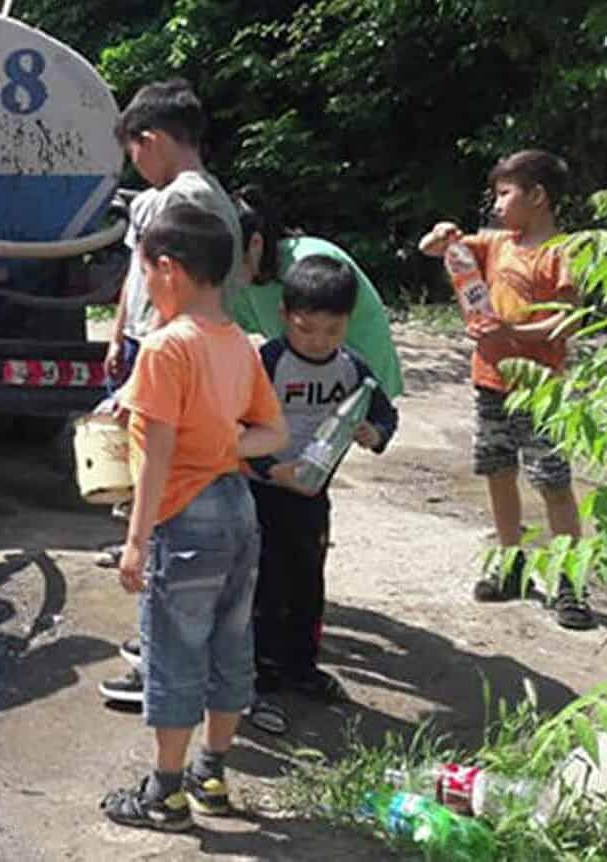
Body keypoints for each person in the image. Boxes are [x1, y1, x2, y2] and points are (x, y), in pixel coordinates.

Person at [100, 204, 287, 832]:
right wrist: (221, 443)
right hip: (238, 510)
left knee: (174, 652)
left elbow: (152, 457)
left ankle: (165, 794)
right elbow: (273, 434)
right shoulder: (239, 343)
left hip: (186, 516)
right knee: (231, 646)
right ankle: (212, 774)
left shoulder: (166, 346)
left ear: (170, 270)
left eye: (146, 272)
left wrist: (134, 541)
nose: (145, 285)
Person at [418, 150, 591, 630]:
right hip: (490, 381)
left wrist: (514, 335)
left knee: (553, 481)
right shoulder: (495, 244)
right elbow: (433, 249)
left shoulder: (561, 252)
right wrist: (441, 234)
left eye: (505, 193)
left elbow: (569, 319)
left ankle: (569, 581)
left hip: (540, 390)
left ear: (537, 196)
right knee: (498, 470)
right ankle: (511, 562)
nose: (496, 204)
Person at [245, 255, 399, 703]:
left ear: (349, 322)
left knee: (308, 580)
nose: (317, 341)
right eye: (305, 329)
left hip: (312, 495)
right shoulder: (267, 362)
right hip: (262, 489)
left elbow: (384, 413)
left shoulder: (353, 368)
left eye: (332, 331)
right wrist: (271, 469)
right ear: (283, 317)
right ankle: (259, 665)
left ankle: (302, 665)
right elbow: (234, 427)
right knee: (261, 581)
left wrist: (376, 433)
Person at [104, 79, 243, 389]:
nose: (135, 165)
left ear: (151, 140)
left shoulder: (182, 199)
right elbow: (136, 272)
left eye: (133, 153)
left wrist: (150, 352)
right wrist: (116, 337)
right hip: (140, 339)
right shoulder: (206, 195)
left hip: (168, 343)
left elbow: (176, 285)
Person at [228, 185, 404, 399]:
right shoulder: (243, 280)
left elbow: (322, 338)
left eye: (223, 259)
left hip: (360, 376)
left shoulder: (309, 265)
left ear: (255, 244)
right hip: (316, 385)